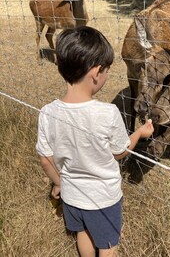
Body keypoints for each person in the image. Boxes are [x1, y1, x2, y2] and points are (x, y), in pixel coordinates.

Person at [36, 26, 154, 257]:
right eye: (107, 71)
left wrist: (59, 183)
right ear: (96, 72)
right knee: (108, 243)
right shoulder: (107, 113)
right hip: (104, 199)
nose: (107, 76)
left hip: (72, 196)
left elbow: (45, 160)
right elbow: (119, 152)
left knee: (83, 232)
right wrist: (139, 133)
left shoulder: (47, 112)